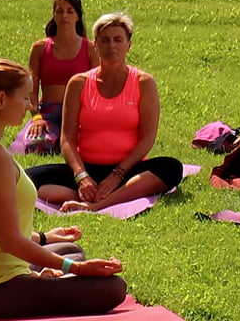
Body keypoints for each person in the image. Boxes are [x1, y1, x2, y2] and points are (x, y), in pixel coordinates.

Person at [0, 55, 126, 319]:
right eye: (25, 98)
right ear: (1, 100)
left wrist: (45, 238)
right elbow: (9, 241)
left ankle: (49, 276)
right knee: (112, 288)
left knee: (69, 250)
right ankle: (50, 278)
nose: (30, 105)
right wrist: (76, 269)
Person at [27, 13, 184, 213]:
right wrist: (82, 177)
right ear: (95, 45)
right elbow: (67, 140)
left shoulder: (144, 82)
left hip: (127, 171)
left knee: (171, 168)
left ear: (128, 45)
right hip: (87, 169)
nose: (112, 46)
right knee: (26, 179)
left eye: (118, 40)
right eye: (105, 40)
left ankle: (96, 205)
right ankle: (94, 194)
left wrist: (117, 174)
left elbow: (147, 139)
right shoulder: (78, 83)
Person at [19, 0, 95, 155]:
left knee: (90, 146)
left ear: (78, 16)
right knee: (36, 145)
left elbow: (97, 86)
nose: (64, 16)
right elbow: (31, 87)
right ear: (53, 14)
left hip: (79, 113)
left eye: (70, 11)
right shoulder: (40, 48)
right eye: (59, 11)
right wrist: (36, 117)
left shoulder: (90, 49)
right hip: (48, 113)